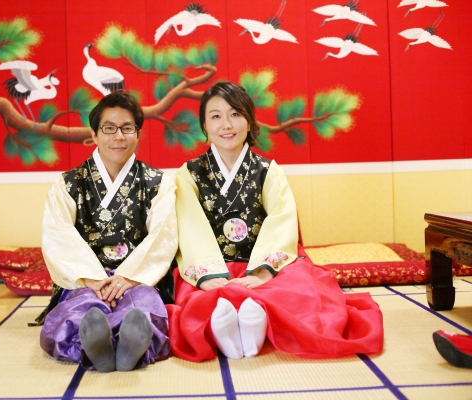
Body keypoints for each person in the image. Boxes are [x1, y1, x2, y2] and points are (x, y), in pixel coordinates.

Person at [165, 81, 384, 362]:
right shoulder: (188, 173)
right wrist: (208, 275)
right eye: (216, 116)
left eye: (235, 114)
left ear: (249, 121)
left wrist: (262, 272)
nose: (226, 124)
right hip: (209, 264)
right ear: (205, 125)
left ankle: (251, 323)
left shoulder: (268, 170)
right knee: (198, 296)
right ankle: (228, 328)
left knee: (301, 288)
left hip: (261, 262)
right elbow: (189, 227)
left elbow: (282, 220)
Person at [37, 90, 178, 372]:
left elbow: (162, 236)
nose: (119, 136)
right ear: (94, 134)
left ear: (138, 133)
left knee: (142, 307)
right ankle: (97, 345)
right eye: (109, 128)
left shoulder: (158, 183)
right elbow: (58, 235)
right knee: (82, 308)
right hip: (88, 278)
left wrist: (130, 276)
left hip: (137, 277)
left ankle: (128, 347)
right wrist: (91, 279)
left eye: (127, 128)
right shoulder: (68, 183)